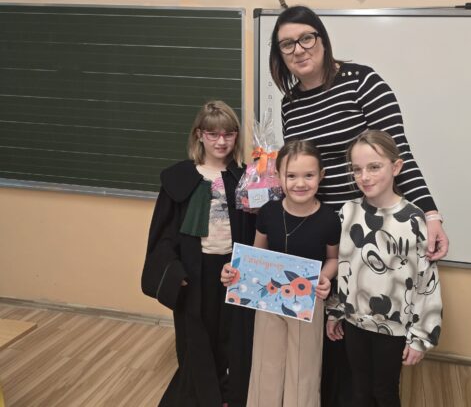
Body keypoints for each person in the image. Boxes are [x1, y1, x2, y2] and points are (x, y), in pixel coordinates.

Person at [269, 5, 449, 405]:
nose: (298, 49)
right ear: (279, 55)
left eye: (306, 38)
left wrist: (431, 214)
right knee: (326, 335)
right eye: (286, 44)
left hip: (368, 233)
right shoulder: (290, 103)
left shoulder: (362, 82)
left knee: (368, 362)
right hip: (318, 230)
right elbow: (300, 167)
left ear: (322, 38)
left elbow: (399, 154)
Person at [141, 100, 256, 407]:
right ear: (199, 135)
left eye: (228, 134)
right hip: (194, 272)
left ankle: (228, 395)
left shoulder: (245, 179)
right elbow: (163, 234)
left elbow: (256, 230)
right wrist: (174, 271)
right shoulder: (180, 178)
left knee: (232, 336)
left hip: (233, 271)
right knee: (196, 336)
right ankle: (200, 397)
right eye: (213, 134)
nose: (221, 141)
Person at [326, 130, 443, 407]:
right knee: (359, 390)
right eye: (357, 169)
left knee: (384, 391)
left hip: (394, 329)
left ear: (396, 167)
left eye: (374, 167)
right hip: (355, 323)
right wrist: (335, 311)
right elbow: (344, 267)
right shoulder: (347, 212)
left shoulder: (414, 220)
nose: (364, 177)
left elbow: (426, 282)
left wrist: (420, 337)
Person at [222, 139, 341, 407]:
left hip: (308, 300)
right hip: (268, 300)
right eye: (291, 176)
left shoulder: (329, 219)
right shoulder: (268, 212)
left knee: (303, 369)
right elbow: (256, 255)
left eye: (309, 175)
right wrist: (233, 270)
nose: (300, 183)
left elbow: (333, 258)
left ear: (321, 175)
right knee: (266, 365)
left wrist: (325, 277)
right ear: (278, 176)